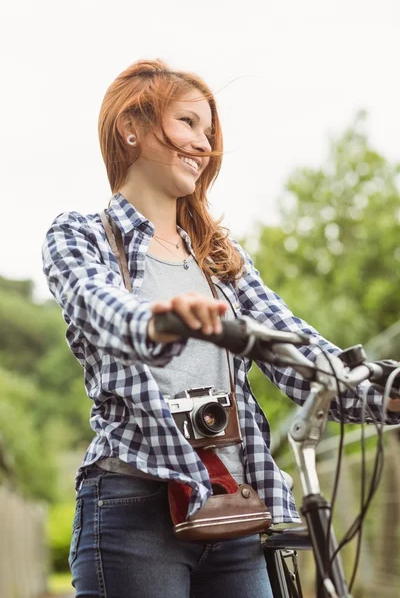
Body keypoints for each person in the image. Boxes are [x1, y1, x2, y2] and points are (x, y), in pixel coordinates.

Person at [42, 59, 400, 598]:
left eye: (209, 132)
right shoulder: (83, 236)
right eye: (188, 123)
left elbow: (298, 352)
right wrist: (157, 322)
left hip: (233, 508)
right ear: (131, 127)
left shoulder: (220, 260)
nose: (203, 143)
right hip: (135, 504)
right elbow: (98, 305)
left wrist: (385, 395)